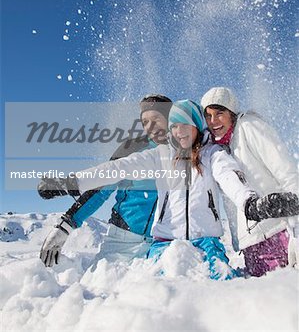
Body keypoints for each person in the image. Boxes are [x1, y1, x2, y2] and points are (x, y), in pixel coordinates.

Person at [40, 100, 299, 281]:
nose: (178, 131)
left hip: (206, 244)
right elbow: (117, 169)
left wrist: (249, 204)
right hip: (164, 246)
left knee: (216, 298)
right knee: (157, 300)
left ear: (197, 126)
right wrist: (71, 182)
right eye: (174, 126)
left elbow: (231, 177)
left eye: (184, 124)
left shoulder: (212, 155)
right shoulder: (160, 156)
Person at [38, 94, 172, 262]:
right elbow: (101, 189)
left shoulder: (187, 151)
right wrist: (66, 225)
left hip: (165, 243)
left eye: (156, 119)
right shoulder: (132, 148)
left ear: (170, 118)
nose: (150, 127)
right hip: (123, 240)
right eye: (145, 122)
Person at [201, 86, 299, 277]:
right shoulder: (220, 150)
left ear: (231, 113)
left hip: (278, 233)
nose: (213, 121)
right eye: (208, 116)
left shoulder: (248, 127)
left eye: (219, 113)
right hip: (252, 244)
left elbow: (287, 171)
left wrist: (296, 228)